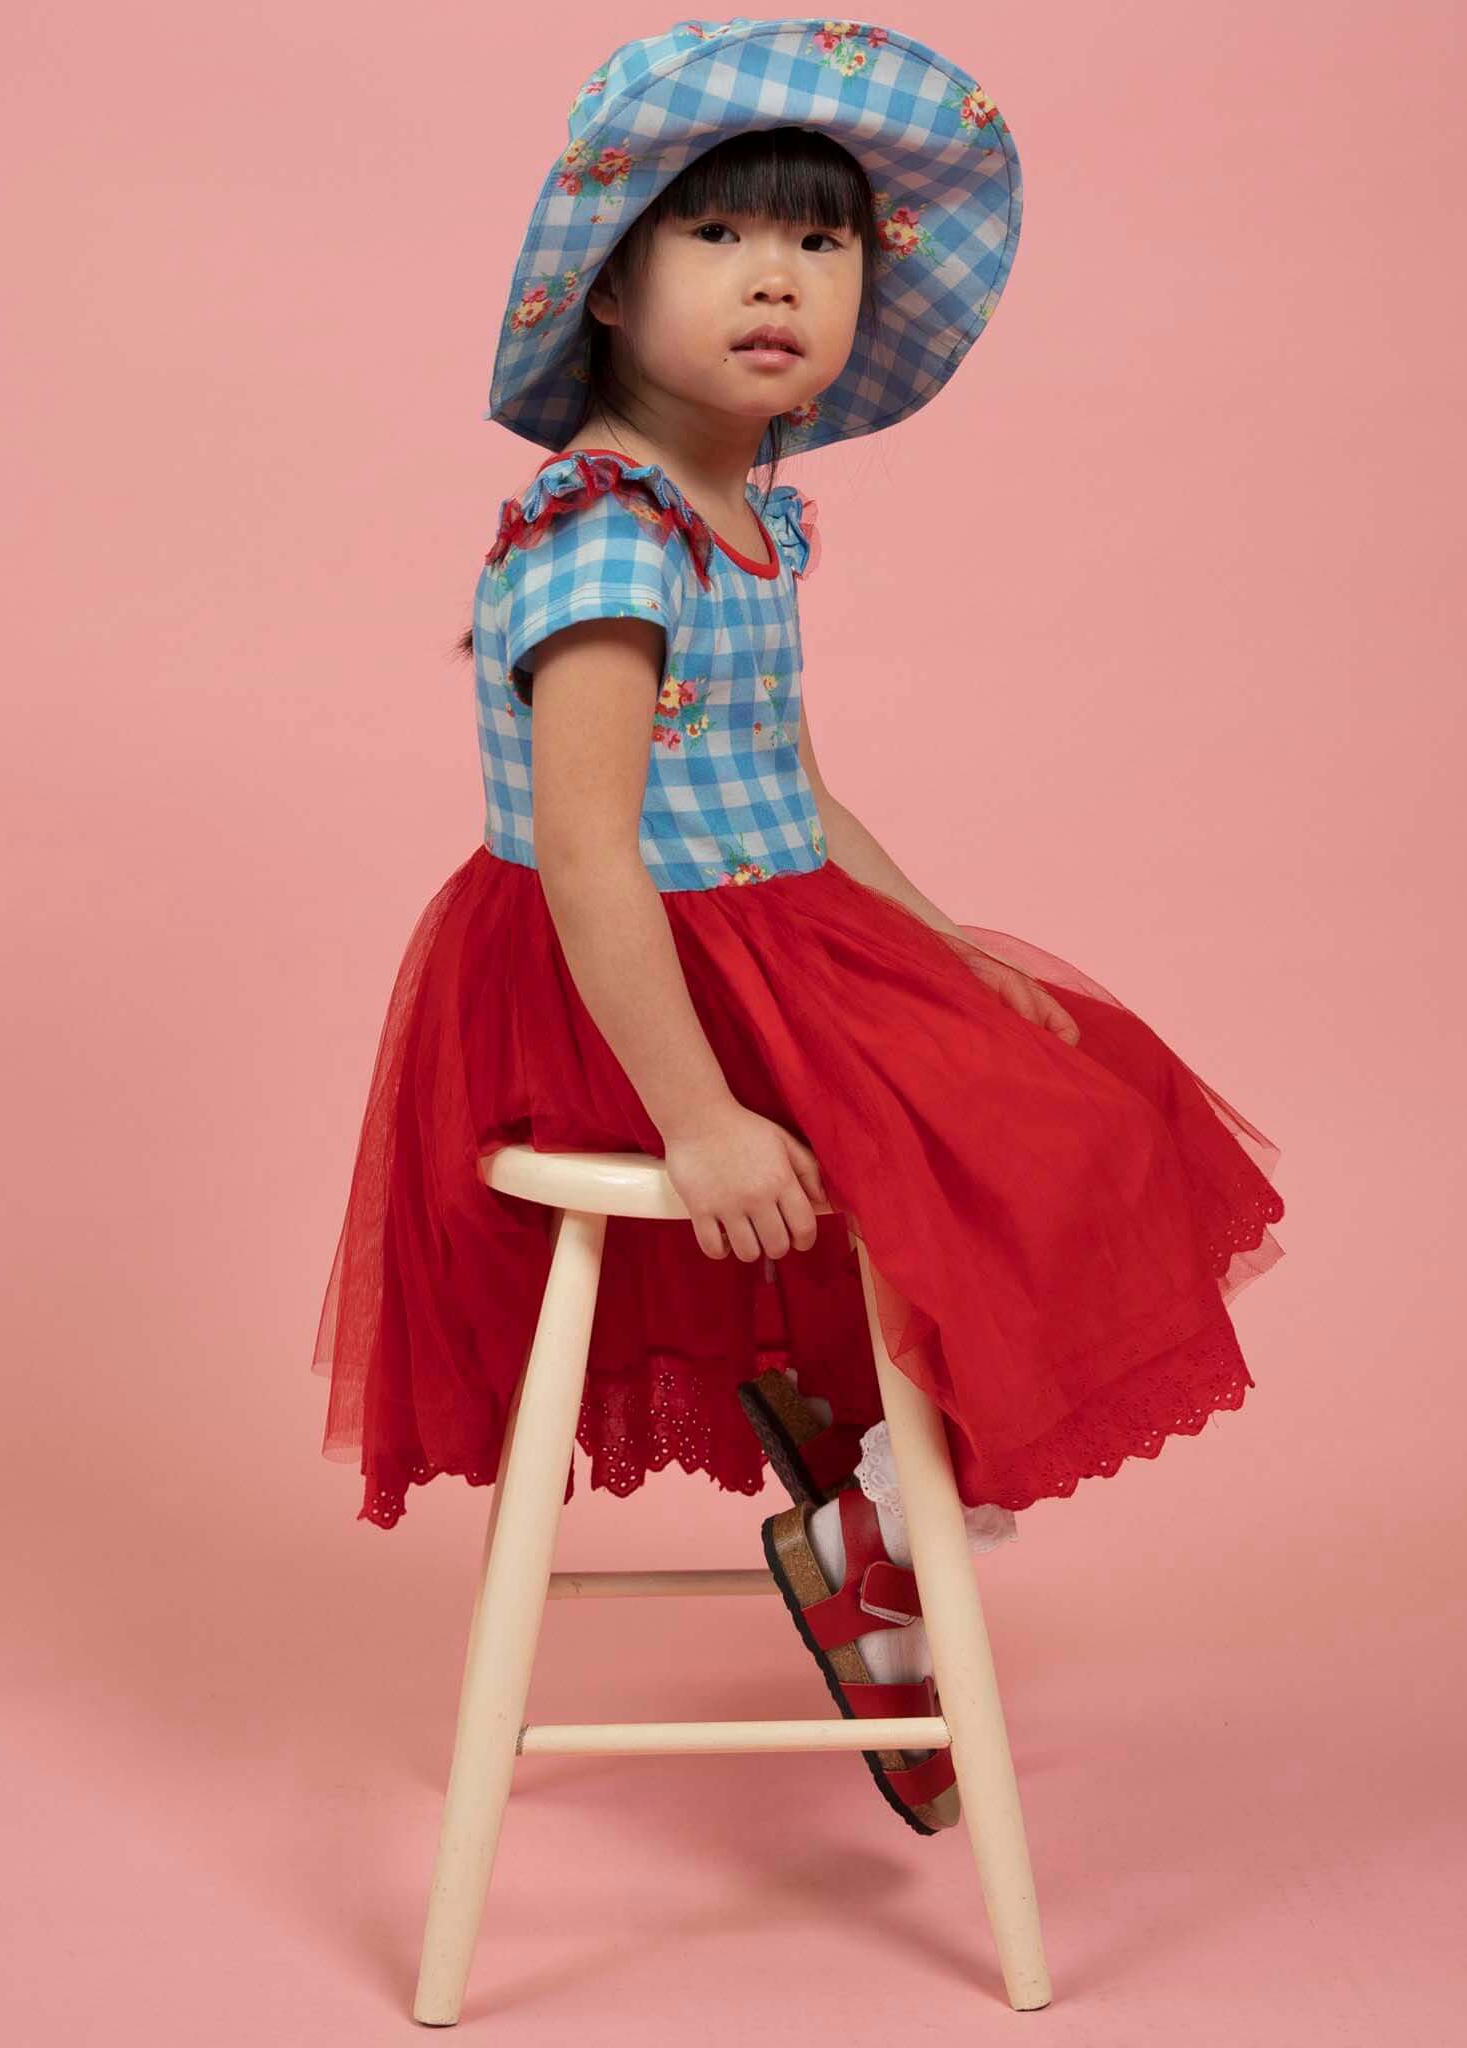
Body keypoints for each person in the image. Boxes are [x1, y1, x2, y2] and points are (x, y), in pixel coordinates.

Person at [310, 16, 1286, 1836]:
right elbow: (597, 859)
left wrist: (950, 942)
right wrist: (693, 1112)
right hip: (632, 977)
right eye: (722, 234)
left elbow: (791, 782)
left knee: (1081, 1092)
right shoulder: (606, 532)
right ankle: (878, 1514)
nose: (780, 278)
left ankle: (874, 1510)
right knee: (1006, 1159)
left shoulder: (741, 511)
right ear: (607, 287)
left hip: (776, 920)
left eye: (824, 247)